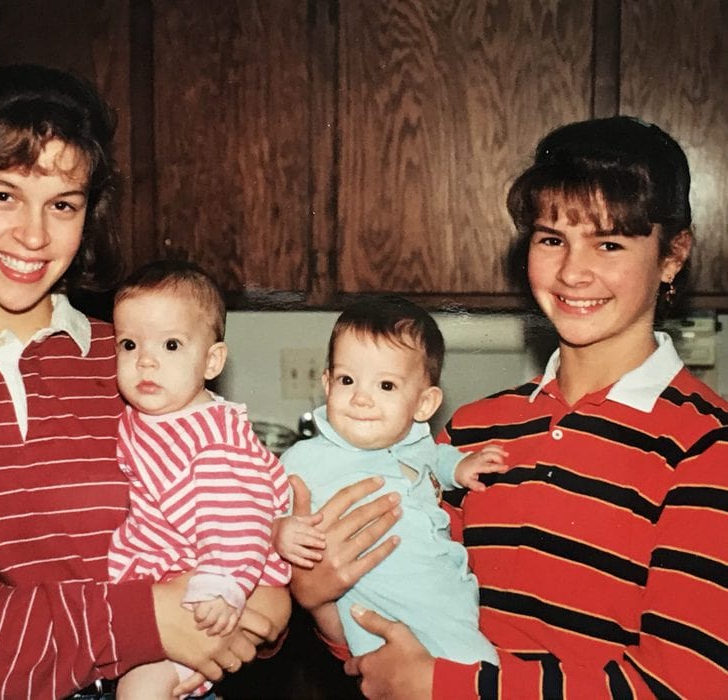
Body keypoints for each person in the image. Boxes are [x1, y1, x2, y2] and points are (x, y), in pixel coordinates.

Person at [0, 64, 288, 700]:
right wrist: (149, 619)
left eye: (62, 204)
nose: (35, 235)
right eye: (3, 195)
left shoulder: (133, 360)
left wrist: (276, 595)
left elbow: (232, 509)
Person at [293, 116, 728, 698]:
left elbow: (686, 687)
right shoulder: (471, 431)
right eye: (552, 239)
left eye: (609, 243)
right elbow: (394, 647)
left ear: (672, 257)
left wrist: (445, 686)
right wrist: (319, 600)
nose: (573, 272)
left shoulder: (706, 448)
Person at [273, 295, 508, 665]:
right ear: (327, 384)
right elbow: (255, 511)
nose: (361, 398)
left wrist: (460, 468)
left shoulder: (417, 443)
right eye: (347, 379)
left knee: (478, 672)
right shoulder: (304, 459)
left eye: (385, 386)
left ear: (423, 405)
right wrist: (279, 531)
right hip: (380, 616)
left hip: (446, 605)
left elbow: (437, 458)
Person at [106, 260, 292, 699]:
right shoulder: (146, 418)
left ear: (211, 361)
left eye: (171, 345)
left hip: (208, 591)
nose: (145, 361)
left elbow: (240, 520)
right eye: (129, 344)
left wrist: (221, 586)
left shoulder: (215, 439)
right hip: (160, 588)